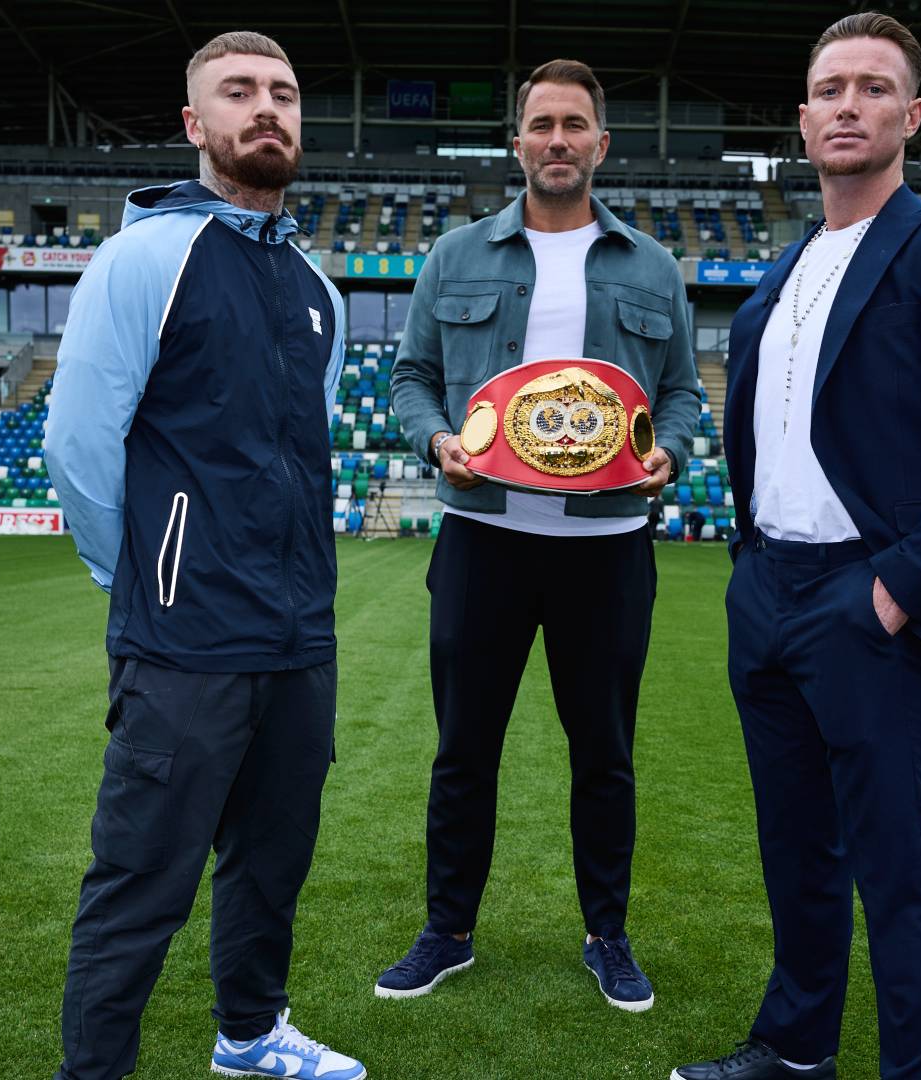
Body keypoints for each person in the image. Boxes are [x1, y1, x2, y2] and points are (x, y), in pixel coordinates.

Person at [674, 12, 921, 1080]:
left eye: (873, 88)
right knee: (796, 858)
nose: (848, 104)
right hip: (767, 592)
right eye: (830, 88)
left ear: (911, 115)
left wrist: (897, 587)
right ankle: (794, 1053)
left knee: (896, 873)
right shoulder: (777, 277)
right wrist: (752, 571)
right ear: (801, 118)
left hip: (868, 600)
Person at [43, 30, 364, 1080]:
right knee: (142, 880)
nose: (265, 108)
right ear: (195, 125)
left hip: (296, 633)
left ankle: (250, 1034)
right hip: (184, 642)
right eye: (238, 92)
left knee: (271, 864)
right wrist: (138, 579)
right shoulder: (145, 256)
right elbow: (78, 442)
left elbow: (300, 456)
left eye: (282, 92)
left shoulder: (319, 287)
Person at [381, 59, 701, 1013]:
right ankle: (448, 931)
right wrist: (436, 440)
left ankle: (608, 935)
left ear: (602, 145)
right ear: (516, 142)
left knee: (603, 753)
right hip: (484, 538)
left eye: (575, 125)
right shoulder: (454, 256)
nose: (557, 140)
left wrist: (671, 453)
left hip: (607, 547)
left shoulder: (651, 267)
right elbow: (411, 381)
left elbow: (681, 390)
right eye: (540, 124)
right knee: (463, 749)